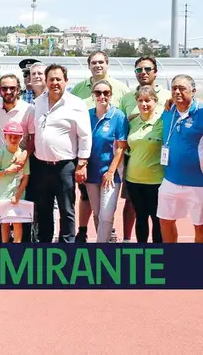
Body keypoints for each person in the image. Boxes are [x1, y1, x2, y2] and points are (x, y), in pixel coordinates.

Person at [28, 64, 92, 244]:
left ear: (66, 81)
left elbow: (85, 136)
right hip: (41, 166)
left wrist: (82, 164)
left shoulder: (76, 104)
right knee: (43, 210)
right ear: (46, 81)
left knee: (66, 210)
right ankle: (45, 245)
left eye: (58, 79)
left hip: (65, 167)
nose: (55, 83)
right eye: (51, 79)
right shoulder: (38, 101)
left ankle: (67, 247)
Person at [157, 75, 203, 243]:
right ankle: (173, 260)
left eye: (182, 88)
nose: (177, 92)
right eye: (174, 88)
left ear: (193, 91)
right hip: (170, 179)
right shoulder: (169, 111)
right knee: (165, 221)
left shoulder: (201, 112)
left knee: (200, 226)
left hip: (198, 183)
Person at [81, 80, 128, 243]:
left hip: (111, 175)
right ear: (93, 95)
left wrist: (110, 172)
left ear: (111, 94)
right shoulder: (87, 115)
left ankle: (101, 249)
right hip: (91, 173)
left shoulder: (118, 116)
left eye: (106, 93)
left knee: (106, 215)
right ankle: (105, 242)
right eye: (98, 93)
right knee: (97, 213)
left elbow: (121, 147)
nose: (102, 96)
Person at [124, 85, 164, 243]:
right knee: (140, 218)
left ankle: (158, 255)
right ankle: (142, 252)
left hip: (156, 180)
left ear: (155, 101)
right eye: (140, 100)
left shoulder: (162, 122)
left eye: (148, 100)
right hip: (133, 180)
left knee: (156, 219)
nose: (144, 104)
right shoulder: (132, 122)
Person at [0, 122, 30, 244]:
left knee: (17, 222)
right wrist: (7, 170)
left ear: (21, 137)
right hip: (3, 195)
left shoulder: (23, 156)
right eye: (10, 136)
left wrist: (17, 195)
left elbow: (26, 177)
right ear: (5, 136)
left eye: (16, 137)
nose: (13, 139)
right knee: (5, 222)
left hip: (18, 195)